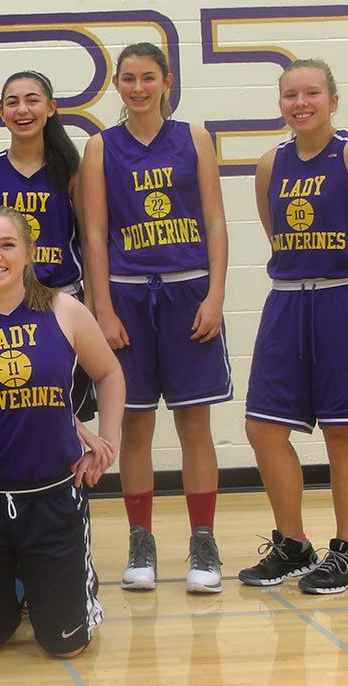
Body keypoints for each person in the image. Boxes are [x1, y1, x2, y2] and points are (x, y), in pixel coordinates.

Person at [0, 206, 123, 656]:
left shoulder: (65, 310)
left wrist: (107, 441)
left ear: (28, 253)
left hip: (53, 497)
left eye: (6, 245)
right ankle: (14, 586)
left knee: (66, 647)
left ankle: (53, 585)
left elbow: (110, 374)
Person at [239, 60, 348, 594]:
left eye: (311, 93)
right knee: (262, 427)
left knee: (341, 431)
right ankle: (293, 544)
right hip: (287, 301)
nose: (300, 103)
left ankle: (347, 553)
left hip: (346, 301)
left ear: (333, 98)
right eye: (290, 95)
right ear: (280, 103)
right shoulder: (270, 164)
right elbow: (275, 235)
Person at [80, 42, 230, 593]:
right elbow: (94, 233)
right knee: (134, 427)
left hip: (187, 291)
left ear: (166, 81)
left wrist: (215, 295)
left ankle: (203, 543)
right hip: (127, 296)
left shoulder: (194, 137)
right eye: (128, 79)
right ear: (116, 85)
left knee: (195, 424)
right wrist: (102, 308)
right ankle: (140, 541)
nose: (138, 87)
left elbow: (215, 222)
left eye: (148, 77)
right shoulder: (100, 147)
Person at [0, 70, 94, 421]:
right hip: (4, 305)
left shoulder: (73, 169)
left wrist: (95, 306)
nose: (22, 109)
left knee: (65, 417)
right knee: (9, 412)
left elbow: (91, 240)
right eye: (12, 102)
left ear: (52, 108)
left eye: (32, 100)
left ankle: (70, 478)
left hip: (62, 300)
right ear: (1, 112)